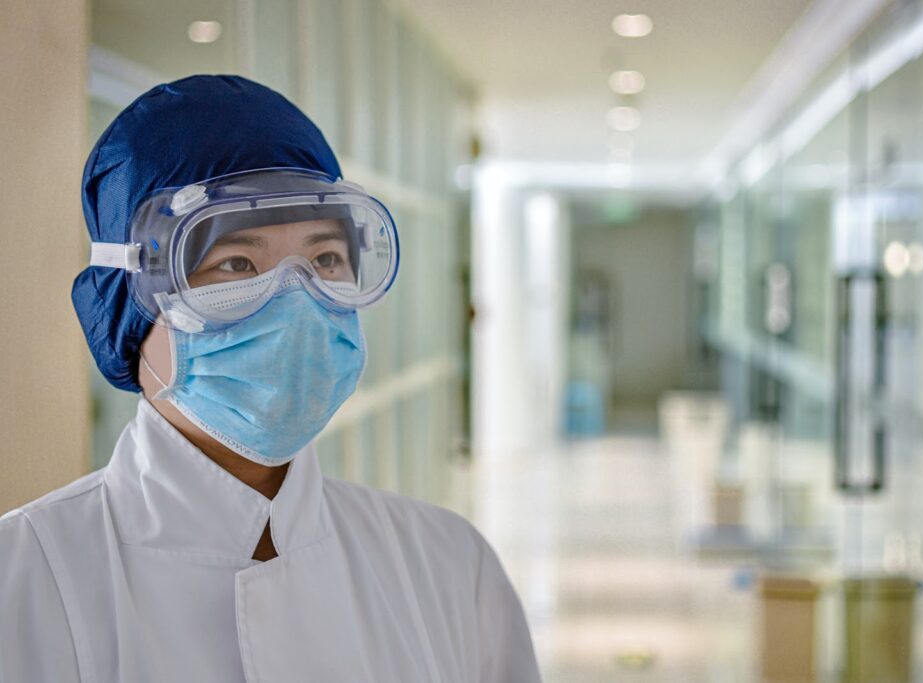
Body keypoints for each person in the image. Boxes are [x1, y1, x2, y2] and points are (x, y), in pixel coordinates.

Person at [0, 75, 541, 682]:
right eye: (235, 263)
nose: (297, 302)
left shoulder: (447, 565)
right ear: (127, 302)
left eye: (325, 259)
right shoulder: (21, 584)